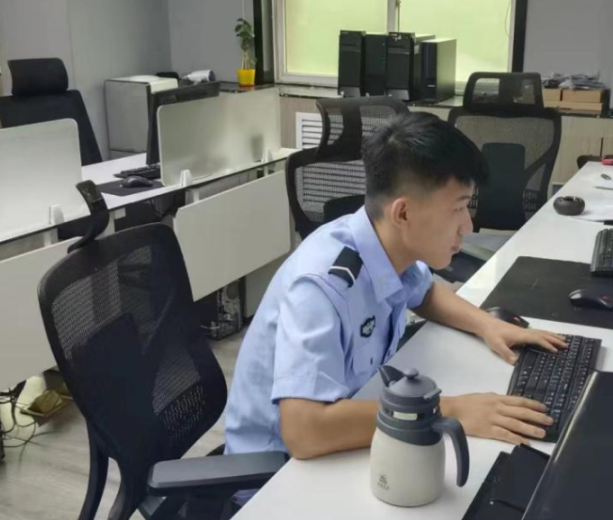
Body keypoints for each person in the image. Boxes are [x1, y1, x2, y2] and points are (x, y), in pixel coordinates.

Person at [224, 112, 566, 472]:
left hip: (346, 431)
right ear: (403, 213)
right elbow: (305, 431)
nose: (468, 225)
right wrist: (451, 410)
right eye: (458, 208)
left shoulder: (383, 243)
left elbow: (425, 293)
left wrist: (488, 325)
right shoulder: (321, 288)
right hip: (275, 476)